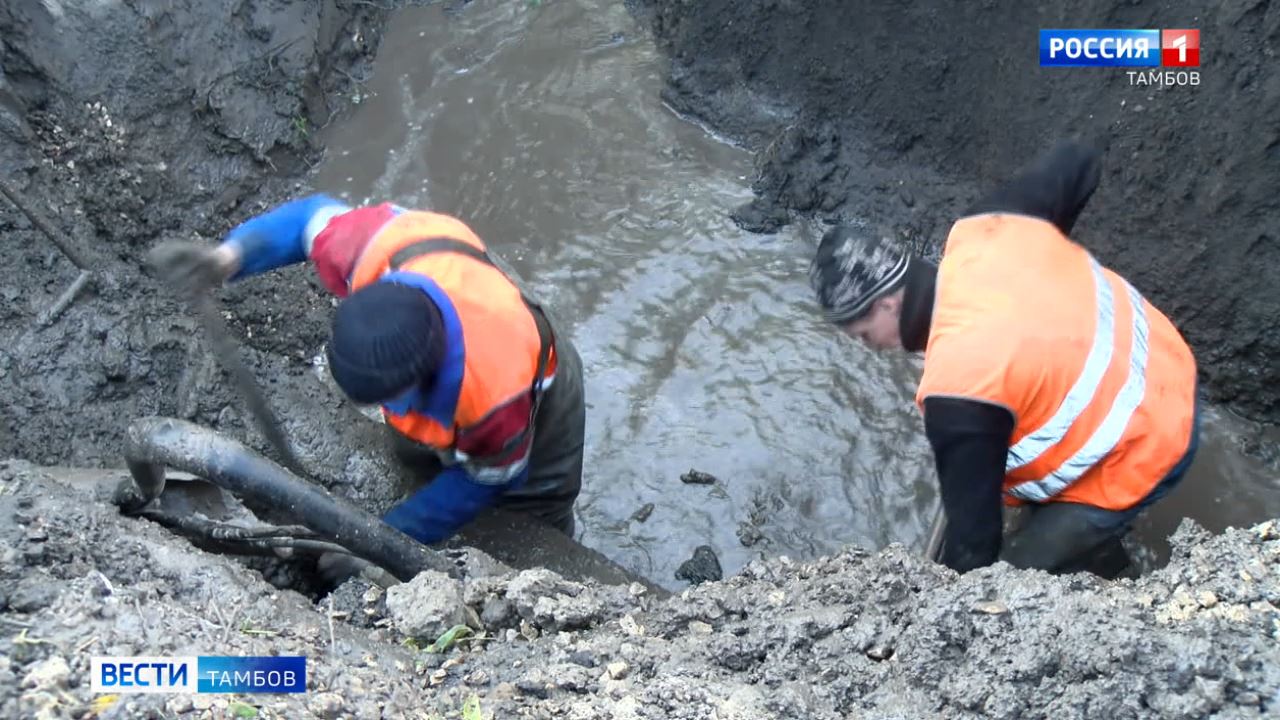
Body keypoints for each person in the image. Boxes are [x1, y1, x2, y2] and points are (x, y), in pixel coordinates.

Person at [808, 139, 1201, 578]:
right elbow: (1080, 159)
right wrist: (1043, 255)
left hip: (1154, 441)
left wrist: (948, 593)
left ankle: (1116, 587)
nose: (868, 346)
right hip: (1167, 360)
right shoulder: (986, 229)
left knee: (1013, 576)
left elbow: (975, 547)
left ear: (886, 305)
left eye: (862, 334)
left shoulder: (958, 388)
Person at [151, 194, 586, 565]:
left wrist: (380, 542)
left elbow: (490, 477)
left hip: (537, 375)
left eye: (394, 400)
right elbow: (306, 221)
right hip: (460, 287)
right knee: (419, 453)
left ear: (426, 380)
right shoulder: (375, 248)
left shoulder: (495, 392)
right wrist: (228, 258)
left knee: (534, 506)